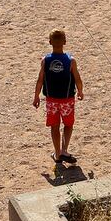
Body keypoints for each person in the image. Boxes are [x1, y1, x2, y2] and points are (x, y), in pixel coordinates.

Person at [33, 29, 84, 165]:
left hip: (51, 100)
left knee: (54, 127)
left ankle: (57, 153)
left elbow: (39, 80)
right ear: (65, 42)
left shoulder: (45, 60)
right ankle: (64, 150)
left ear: (50, 42)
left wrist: (36, 96)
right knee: (68, 124)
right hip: (67, 100)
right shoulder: (71, 60)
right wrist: (80, 91)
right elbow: (77, 79)